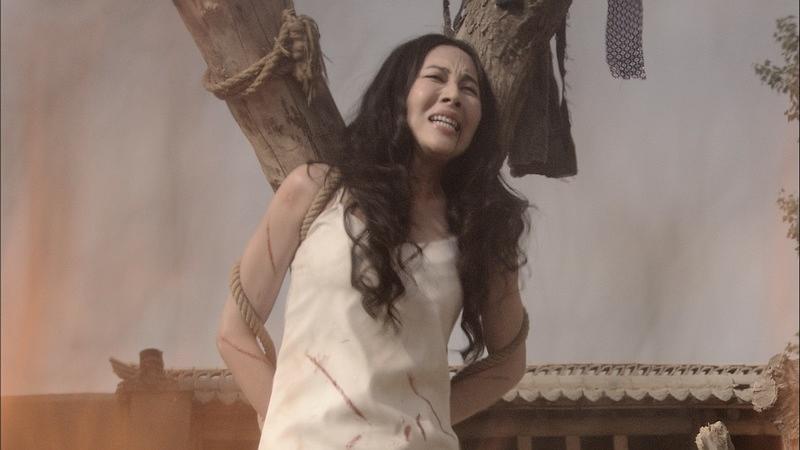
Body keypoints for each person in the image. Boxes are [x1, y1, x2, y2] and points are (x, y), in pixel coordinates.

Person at [217, 34, 529, 448]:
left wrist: (420, 419)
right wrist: (287, 421)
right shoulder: (312, 191)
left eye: (468, 89)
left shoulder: (481, 230)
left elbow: (508, 365)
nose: (453, 95)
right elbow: (234, 331)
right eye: (436, 77)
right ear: (399, 92)